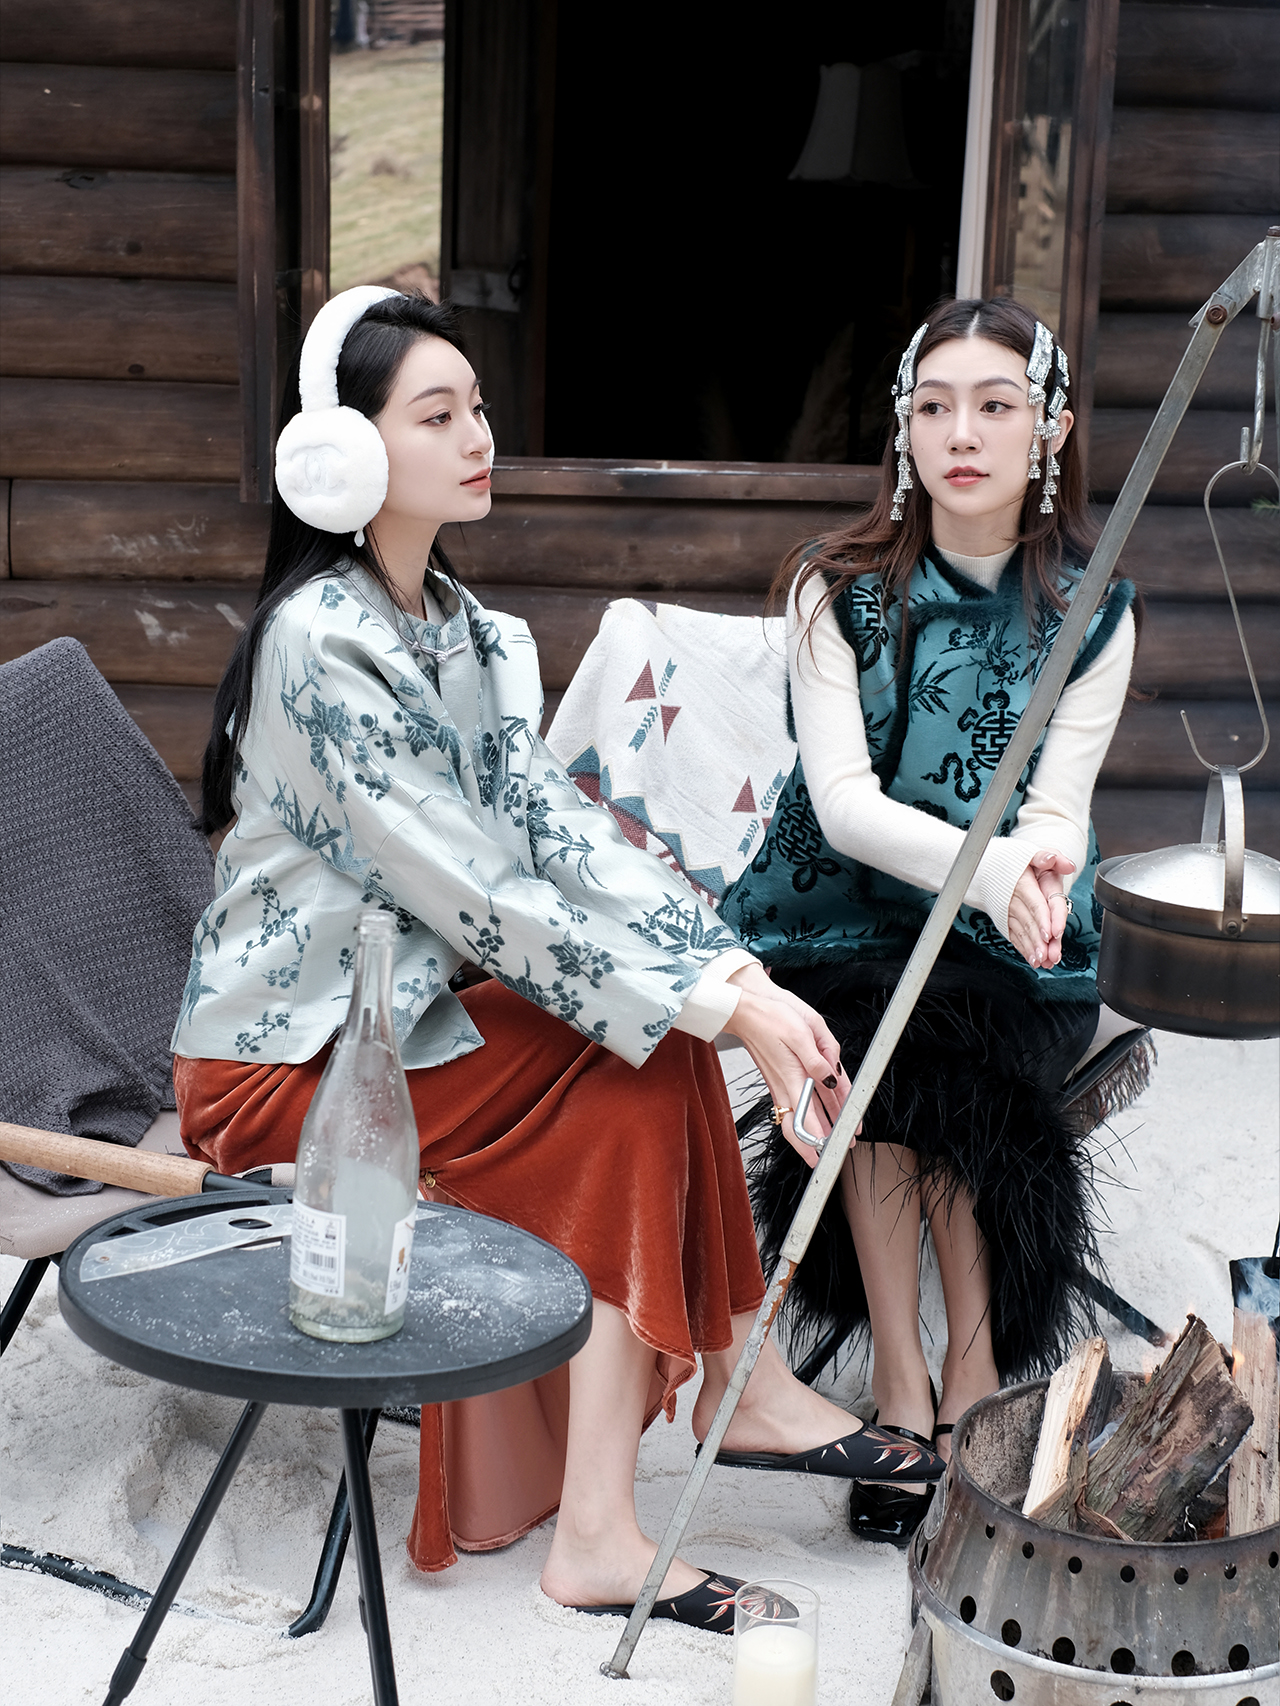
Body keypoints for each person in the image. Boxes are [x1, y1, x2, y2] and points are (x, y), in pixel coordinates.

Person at [171, 286, 943, 1630]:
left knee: (655, 1054)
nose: (479, 436)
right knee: (650, 1057)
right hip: (291, 1069)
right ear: (342, 452)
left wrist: (735, 978)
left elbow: (562, 833)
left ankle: (651, 1473)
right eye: (437, 415)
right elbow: (480, 896)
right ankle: (697, 1425)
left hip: (408, 1023)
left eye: (477, 408)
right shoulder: (317, 648)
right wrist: (716, 1004)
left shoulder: (457, 627)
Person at [720, 297, 1146, 1545]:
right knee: (876, 1045)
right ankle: (912, 1383)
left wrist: (1038, 866)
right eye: (933, 406)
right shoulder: (837, 588)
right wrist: (991, 862)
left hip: (1008, 930)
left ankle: (964, 1375)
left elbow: (1056, 803)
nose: (961, 432)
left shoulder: (1091, 609)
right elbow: (845, 807)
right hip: (839, 918)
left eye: (994, 405)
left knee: (958, 1049)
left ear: (1047, 430)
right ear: (903, 430)